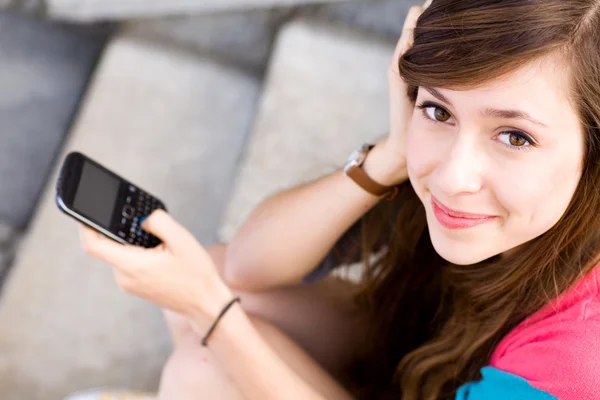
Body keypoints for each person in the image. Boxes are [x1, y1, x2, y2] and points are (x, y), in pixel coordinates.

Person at [71, 0, 600, 398]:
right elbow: (247, 267)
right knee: (219, 281)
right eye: (439, 110)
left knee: (203, 363)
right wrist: (391, 156)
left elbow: (219, 299)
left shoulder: (577, 360)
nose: (453, 177)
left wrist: (210, 311)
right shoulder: (437, 166)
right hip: (437, 360)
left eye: (515, 137)